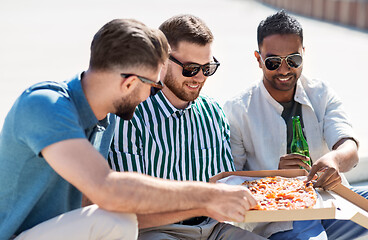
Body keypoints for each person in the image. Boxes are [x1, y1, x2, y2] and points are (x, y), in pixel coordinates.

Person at [0, 18, 257, 240]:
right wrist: (206, 195)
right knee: (116, 221)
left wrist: (206, 206)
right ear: (130, 83)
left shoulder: (106, 121)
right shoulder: (45, 104)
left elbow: (95, 203)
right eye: (154, 87)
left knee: (117, 217)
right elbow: (107, 189)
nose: (151, 97)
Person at [108, 14, 265, 240]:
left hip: (216, 229)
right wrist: (204, 205)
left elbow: (225, 185)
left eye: (208, 68)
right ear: (161, 61)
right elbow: (130, 211)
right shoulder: (131, 115)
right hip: (157, 231)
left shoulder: (213, 112)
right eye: (191, 68)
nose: (200, 77)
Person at [223, 10, 368, 240]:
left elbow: (348, 146)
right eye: (273, 62)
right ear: (258, 59)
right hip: (281, 218)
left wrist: (334, 160)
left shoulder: (320, 92)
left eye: (293, 60)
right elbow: (230, 182)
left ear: (303, 54)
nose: (284, 69)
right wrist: (276, 178)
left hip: (331, 204)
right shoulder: (238, 110)